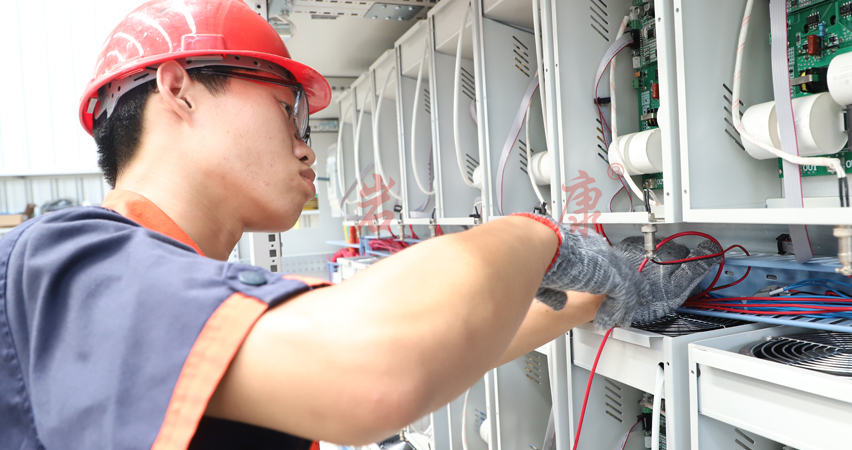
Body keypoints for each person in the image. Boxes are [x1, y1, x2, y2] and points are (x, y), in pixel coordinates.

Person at [0, 1, 719, 449]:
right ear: (179, 89)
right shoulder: (61, 261)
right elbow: (372, 372)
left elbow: (451, 339)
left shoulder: (179, 288)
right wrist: (544, 237)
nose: (307, 144)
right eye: (289, 109)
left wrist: (599, 297)